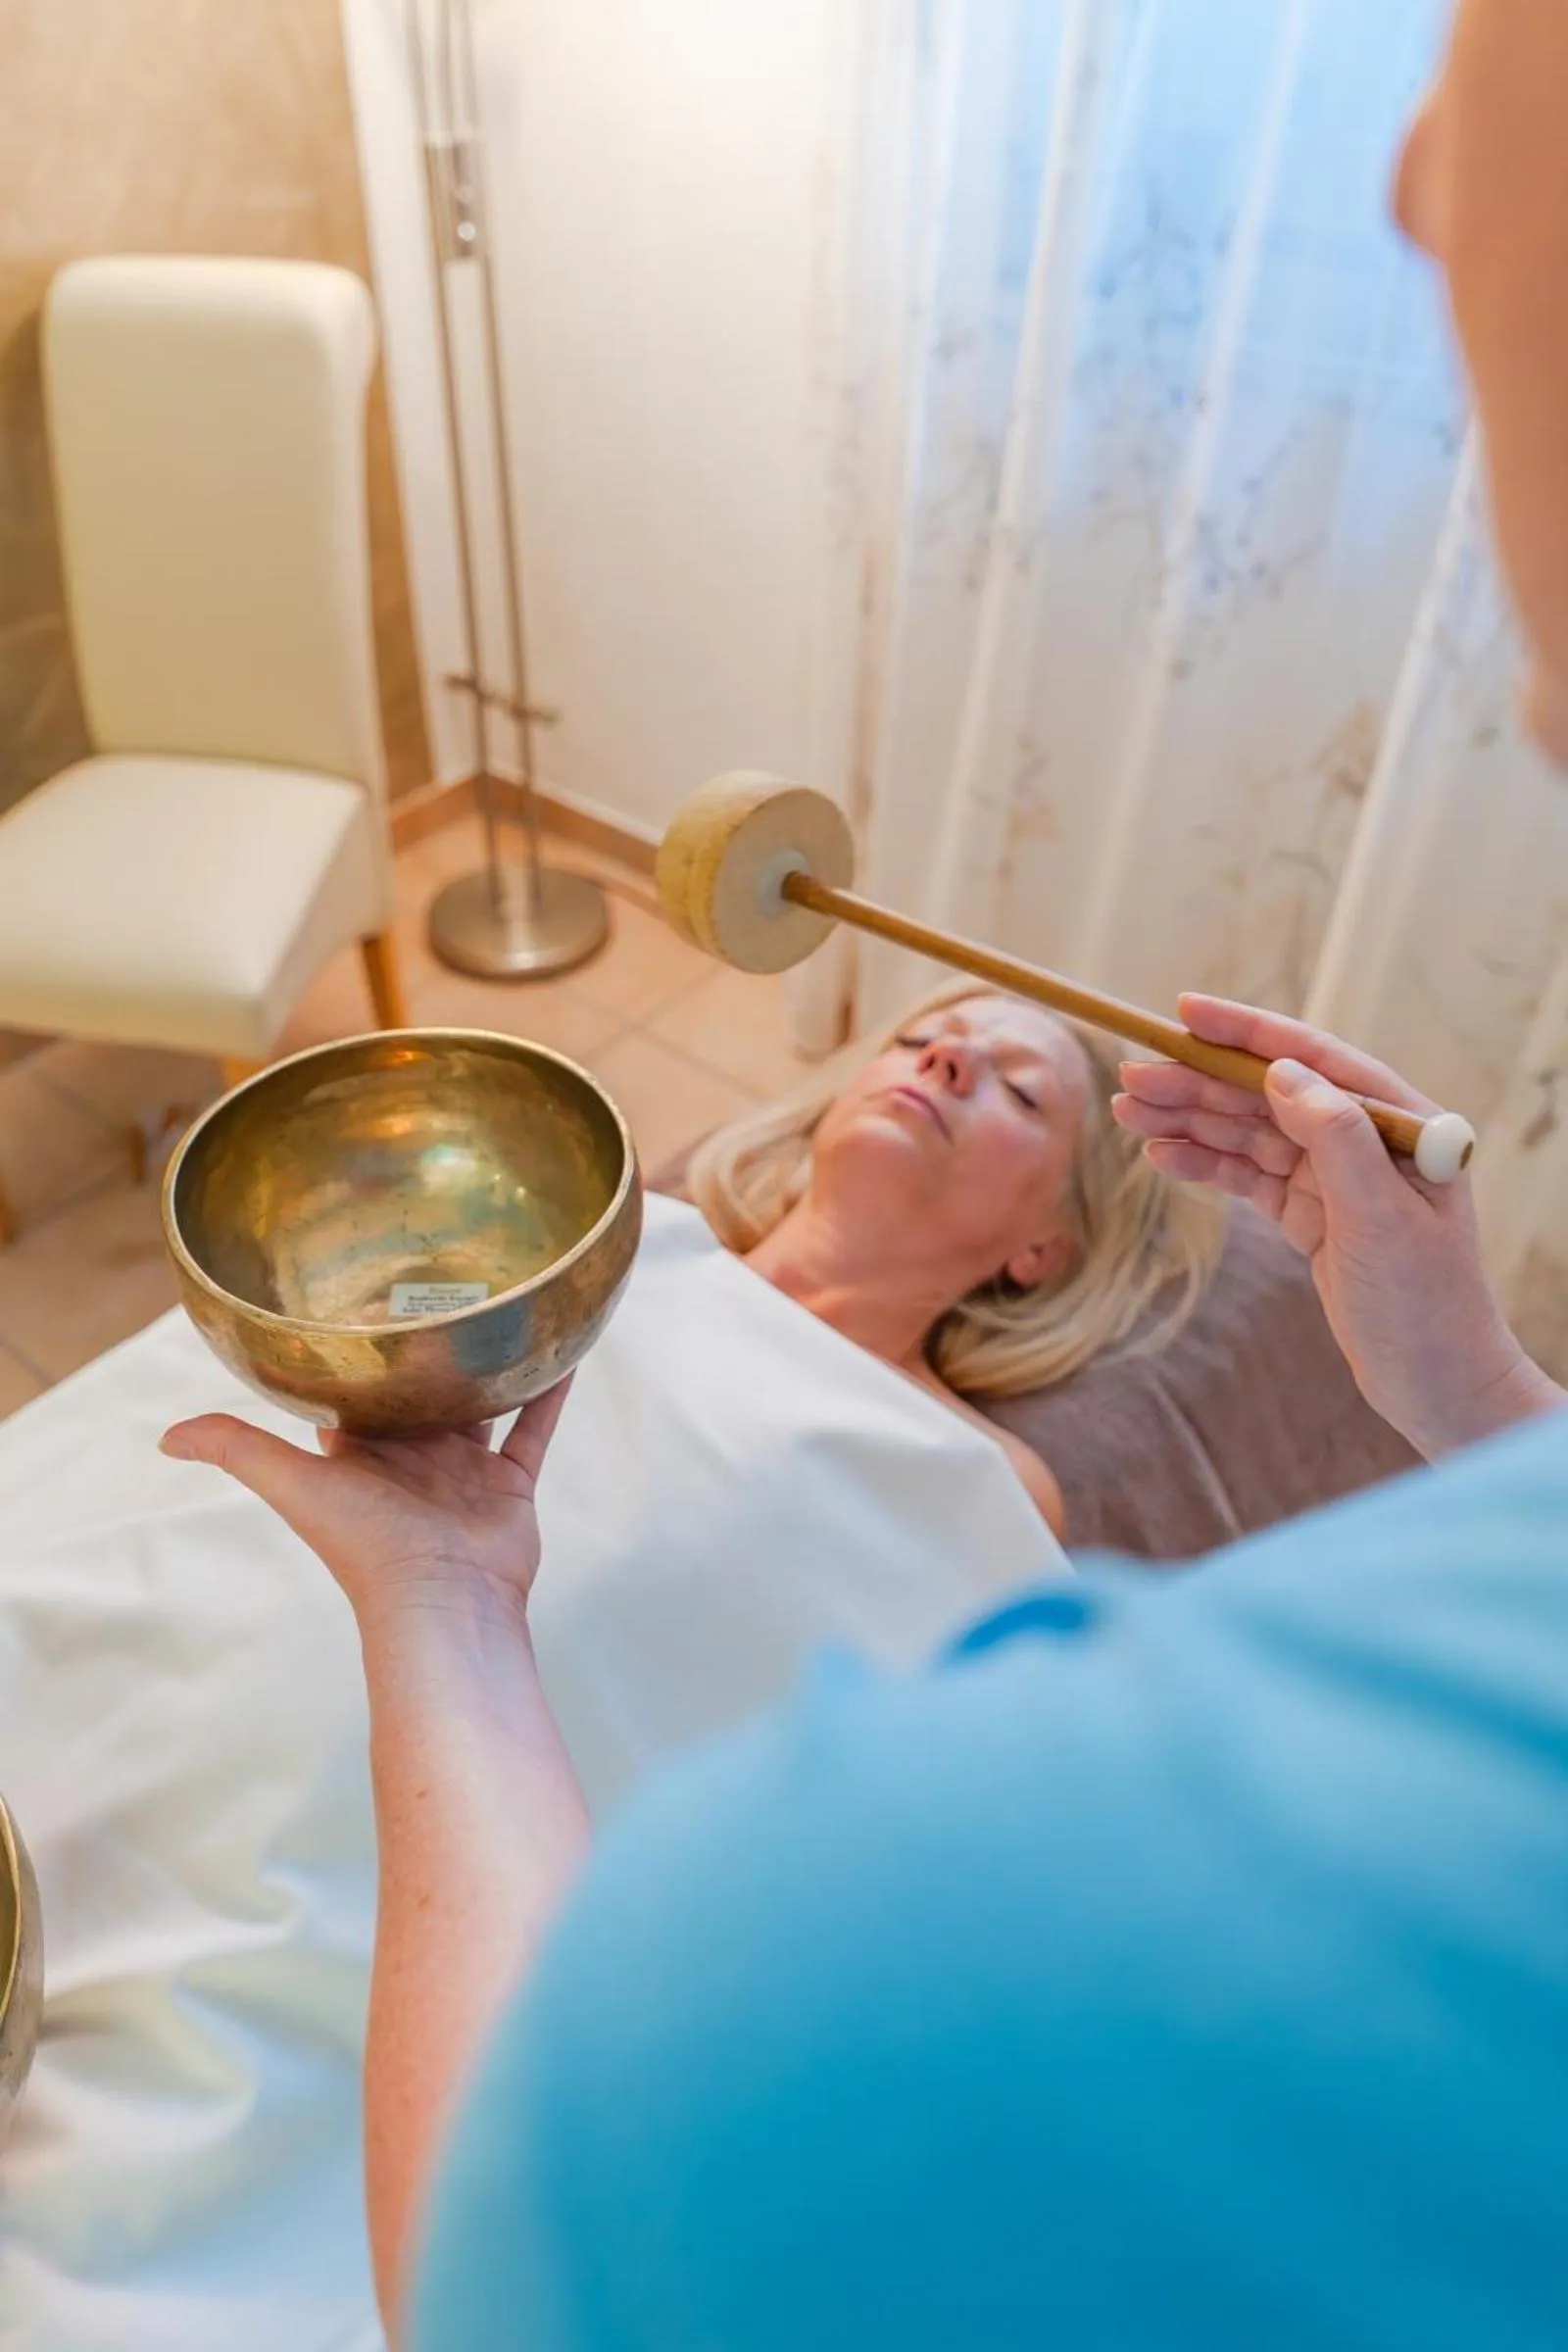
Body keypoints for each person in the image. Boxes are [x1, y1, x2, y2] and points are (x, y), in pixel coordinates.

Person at [160, 4, 1568, 2342]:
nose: (1411, 178)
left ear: (1036, 1250)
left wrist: (447, 1605)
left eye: (1009, 1089)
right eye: (921, 1029)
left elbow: (548, 2232)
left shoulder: (983, 1565)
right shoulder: (616, 1241)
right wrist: (1484, 1398)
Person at [688, 978, 1221, 1533]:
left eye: (1020, 1091)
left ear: (1043, 1247)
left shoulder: (981, 1479)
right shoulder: (649, 1242)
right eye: (918, 1041)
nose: (948, 1055)